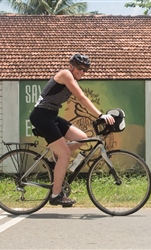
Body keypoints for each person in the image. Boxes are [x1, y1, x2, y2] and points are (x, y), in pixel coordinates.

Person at [30, 53, 115, 206]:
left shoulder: (73, 79)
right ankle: (56, 195)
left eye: (85, 70)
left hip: (51, 116)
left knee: (82, 138)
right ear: (71, 66)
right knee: (65, 154)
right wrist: (101, 115)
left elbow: (82, 100)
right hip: (41, 116)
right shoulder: (65, 74)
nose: (81, 72)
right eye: (79, 68)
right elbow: (82, 97)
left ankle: (52, 160)